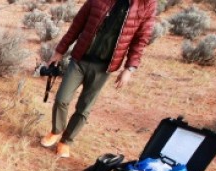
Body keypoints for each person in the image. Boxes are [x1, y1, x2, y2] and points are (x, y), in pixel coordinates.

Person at [41, 0, 157, 158]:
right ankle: (56, 131)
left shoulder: (147, 4)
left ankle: (66, 141)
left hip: (104, 67)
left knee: (84, 107)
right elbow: (77, 25)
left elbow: (140, 40)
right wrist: (60, 51)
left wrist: (129, 68)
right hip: (80, 59)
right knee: (62, 98)